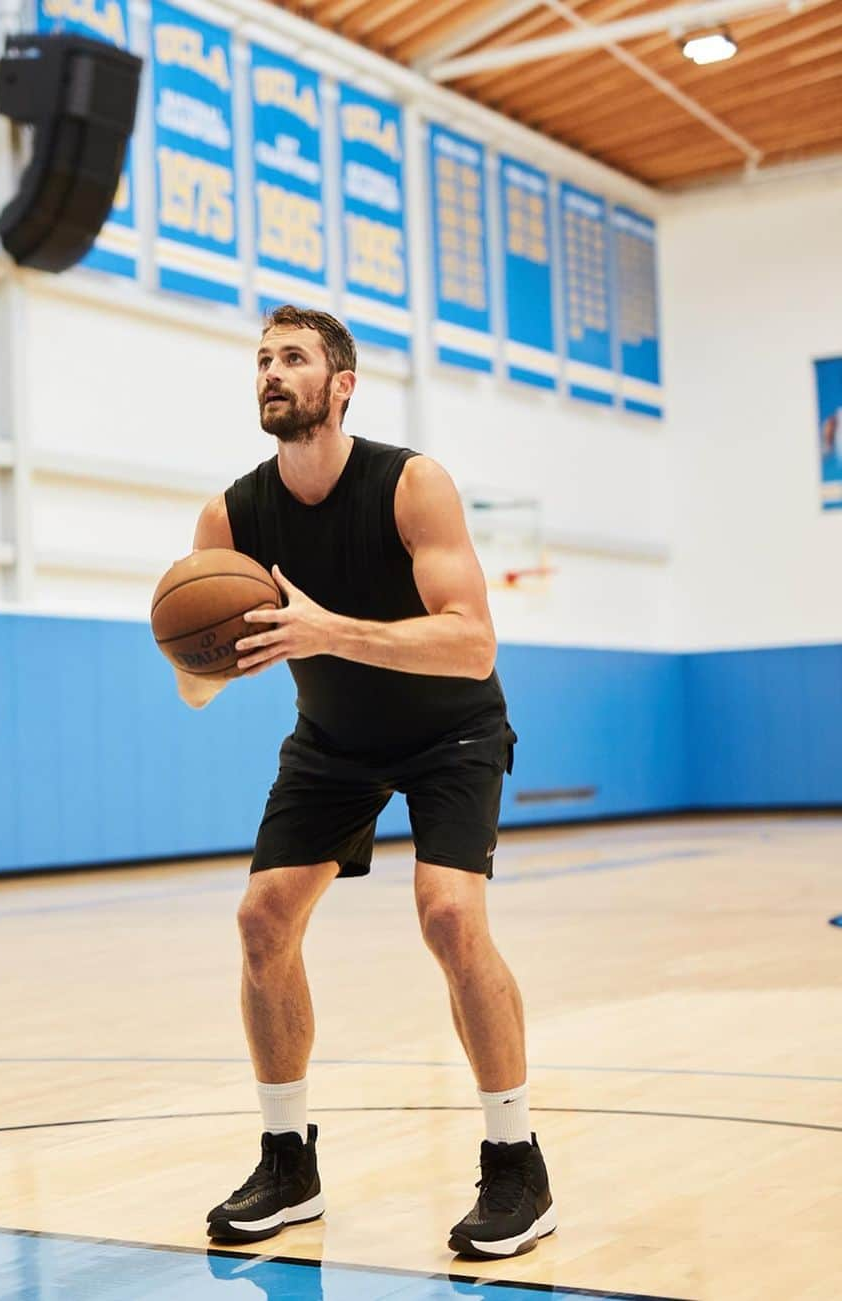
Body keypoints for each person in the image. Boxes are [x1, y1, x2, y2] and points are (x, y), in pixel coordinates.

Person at [173, 306, 555, 1260]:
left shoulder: (411, 484)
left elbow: (473, 644)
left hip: (450, 731)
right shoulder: (231, 515)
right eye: (262, 358)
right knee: (262, 919)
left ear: (340, 385)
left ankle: (516, 1163)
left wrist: (323, 630)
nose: (271, 371)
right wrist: (214, 660)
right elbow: (191, 678)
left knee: (450, 916)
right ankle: (286, 1161)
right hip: (334, 739)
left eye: (293, 357)